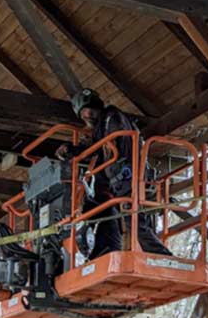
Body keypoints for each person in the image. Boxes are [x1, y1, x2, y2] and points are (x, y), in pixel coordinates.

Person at [63, 87, 172, 258]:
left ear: (98, 108)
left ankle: (164, 257)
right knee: (103, 211)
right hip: (120, 180)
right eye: (85, 113)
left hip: (127, 176)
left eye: (91, 111)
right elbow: (94, 146)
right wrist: (72, 150)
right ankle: (95, 252)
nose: (89, 115)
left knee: (135, 221)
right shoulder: (102, 126)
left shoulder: (111, 117)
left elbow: (103, 144)